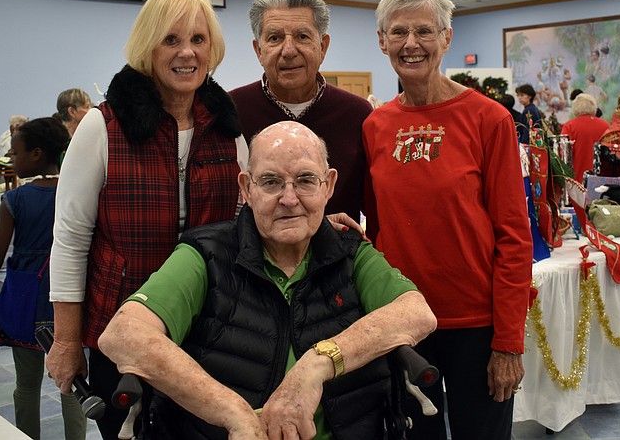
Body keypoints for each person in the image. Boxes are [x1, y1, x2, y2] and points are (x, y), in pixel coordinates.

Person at [97, 121, 436, 439]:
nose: (289, 199)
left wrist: (318, 364)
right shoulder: (207, 254)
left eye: (306, 180)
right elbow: (124, 334)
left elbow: (416, 314)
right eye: (271, 182)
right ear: (247, 188)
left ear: (329, 186)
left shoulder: (351, 253)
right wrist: (234, 414)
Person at [46, 0, 249, 439]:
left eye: (198, 40)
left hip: (209, 329)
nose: (187, 53)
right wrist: (66, 340)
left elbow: (246, 225)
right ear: (147, 47)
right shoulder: (103, 126)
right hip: (121, 331)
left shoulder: (228, 131)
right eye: (170, 39)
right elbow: (71, 241)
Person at [362, 0, 532, 439]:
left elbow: (514, 237)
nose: (411, 43)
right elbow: (377, 230)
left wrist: (508, 342)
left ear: (446, 38)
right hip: (405, 322)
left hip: (477, 327)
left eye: (424, 31)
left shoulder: (489, 119)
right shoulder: (376, 126)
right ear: (382, 41)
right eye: (399, 32)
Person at [0, 118, 85, 440]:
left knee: (26, 385)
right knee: (71, 384)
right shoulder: (77, 192)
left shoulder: (15, 199)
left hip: (26, 300)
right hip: (70, 297)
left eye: (15, 152)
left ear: (36, 153)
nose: (11, 158)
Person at [229, 0, 373, 221]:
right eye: (275, 38)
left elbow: (374, 207)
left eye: (302, 37)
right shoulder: (230, 111)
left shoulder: (357, 114)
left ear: (322, 47)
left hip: (340, 245)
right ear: (259, 50)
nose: (288, 50)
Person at [561, 93, 610, 182]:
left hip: (578, 180)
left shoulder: (569, 126)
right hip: (603, 180)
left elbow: (564, 156)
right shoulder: (605, 125)